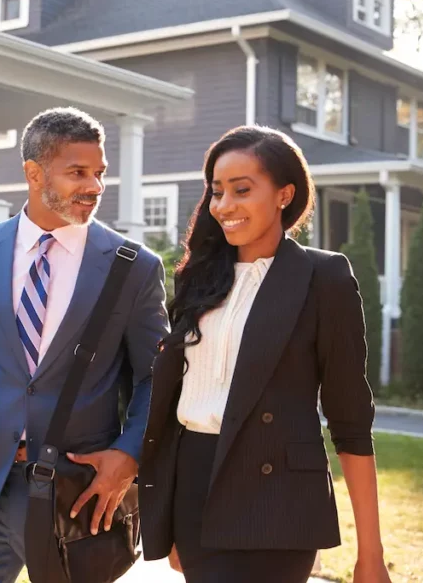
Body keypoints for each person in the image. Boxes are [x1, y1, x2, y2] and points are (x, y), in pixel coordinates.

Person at [0, 107, 169, 582]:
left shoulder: (133, 266)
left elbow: (156, 377)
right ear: (34, 173)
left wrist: (130, 455)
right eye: (78, 172)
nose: (94, 186)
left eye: (99, 173)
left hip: (79, 497)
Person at [139, 125, 391, 583]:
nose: (224, 206)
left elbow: (351, 421)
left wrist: (369, 554)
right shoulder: (199, 278)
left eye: (242, 189)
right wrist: (170, 512)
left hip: (275, 501)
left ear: (284, 194)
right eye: (216, 192)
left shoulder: (324, 278)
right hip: (196, 487)